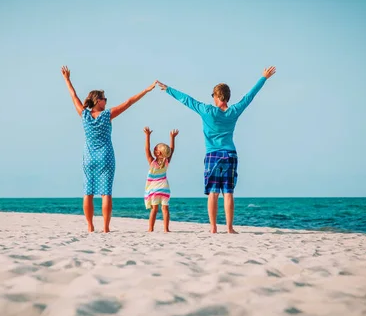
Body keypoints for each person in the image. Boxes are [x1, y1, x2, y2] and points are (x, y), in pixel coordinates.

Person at [157, 66, 276, 234]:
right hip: (230, 155)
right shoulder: (234, 111)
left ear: (217, 96)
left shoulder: (207, 111)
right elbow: (249, 97)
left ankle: (213, 228)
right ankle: (229, 228)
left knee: (213, 193)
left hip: (213, 155)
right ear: (227, 97)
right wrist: (263, 77)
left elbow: (187, 100)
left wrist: (168, 90)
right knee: (228, 193)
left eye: (213, 95)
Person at [61, 65, 156, 233]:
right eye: (104, 98)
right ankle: (105, 228)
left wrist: (67, 79)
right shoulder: (106, 115)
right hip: (106, 156)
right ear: (98, 101)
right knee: (106, 192)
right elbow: (129, 103)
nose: (107, 100)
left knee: (88, 192)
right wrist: (146, 90)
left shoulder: (84, 115)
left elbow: (73, 96)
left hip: (89, 157)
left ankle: (90, 226)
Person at [143, 127, 179, 233]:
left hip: (154, 190)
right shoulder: (166, 162)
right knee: (165, 209)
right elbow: (171, 150)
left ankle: (150, 228)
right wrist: (172, 138)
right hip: (165, 189)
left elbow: (146, 149)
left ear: (158, 153)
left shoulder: (152, 162)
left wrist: (147, 136)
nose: (153, 150)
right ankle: (166, 229)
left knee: (154, 209)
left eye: (155, 149)